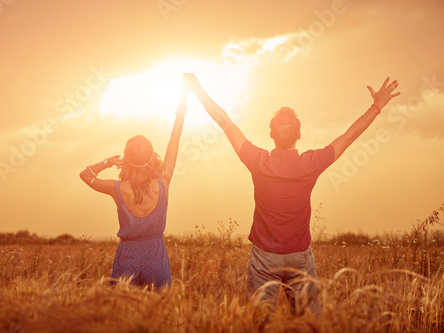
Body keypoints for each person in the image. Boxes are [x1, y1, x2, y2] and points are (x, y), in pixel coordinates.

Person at [184, 74, 400, 316]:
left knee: (258, 324)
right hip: (299, 258)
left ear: (271, 135)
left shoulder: (258, 161)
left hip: (264, 257)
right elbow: (348, 137)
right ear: (299, 135)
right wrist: (376, 107)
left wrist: (197, 88)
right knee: (308, 324)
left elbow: (224, 122)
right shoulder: (311, 163)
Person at [79, 76, 189, 289]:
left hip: (127, 256)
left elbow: (85, 175)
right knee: (158, 314)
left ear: (126, 158)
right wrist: (182, 102)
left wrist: (107, 162)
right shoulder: (163, 181)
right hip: (156, 256)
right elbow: (174, 139)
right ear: (151, 157)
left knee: (121, 314)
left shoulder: (116, 188)